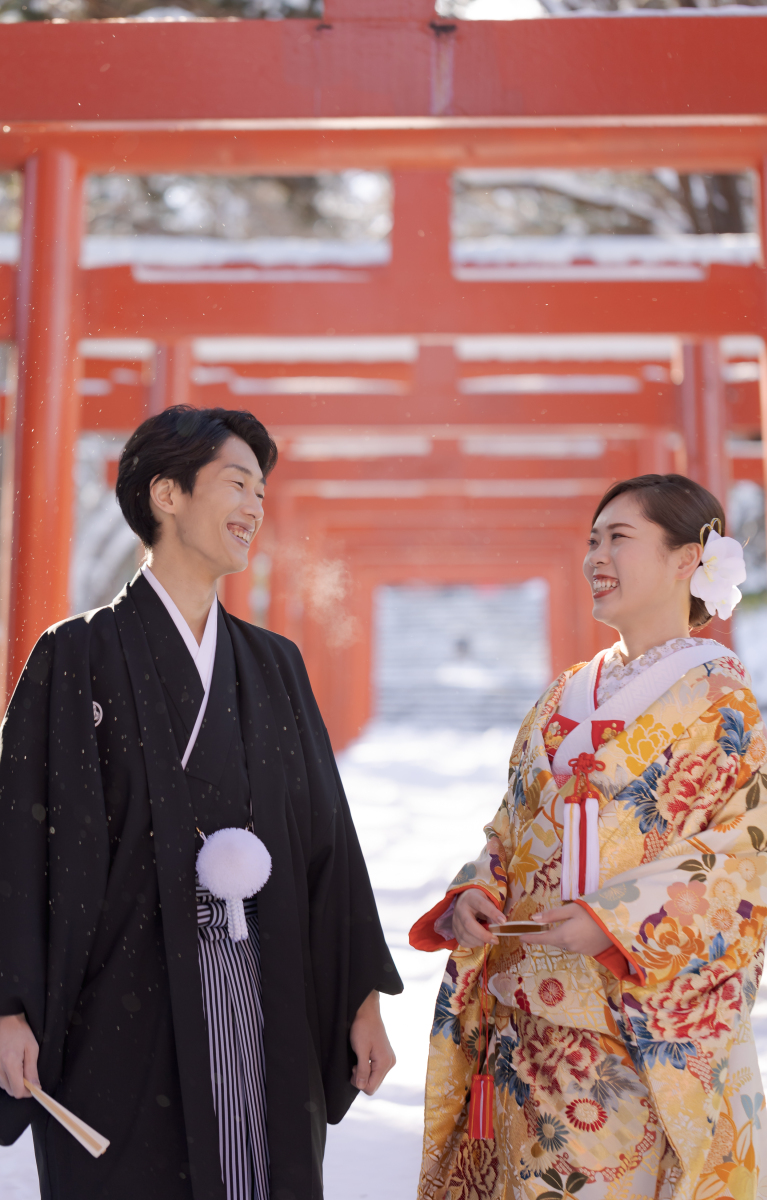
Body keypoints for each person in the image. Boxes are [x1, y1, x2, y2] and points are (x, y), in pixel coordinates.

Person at [0, 406, 402, 1200]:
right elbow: (18, 842)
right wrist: (9, 1005)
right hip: (113, 1002)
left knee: (262, 1169)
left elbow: (326, 839)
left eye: (262, 489)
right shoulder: (73, 655)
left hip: (265, 991)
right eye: (236, 483)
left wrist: (360, 999)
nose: (256, 506)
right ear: (167, 495)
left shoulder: (274, 665)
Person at [410, 473, 767, 1200]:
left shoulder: (719, 701)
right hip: (525, 1033)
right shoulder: (563, 695)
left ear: (689, 560)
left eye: (619, 538)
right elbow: (510, 827)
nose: (595, 556)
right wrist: (478, 891)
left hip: (634, 1033)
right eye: (592, 540)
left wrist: (615, 921)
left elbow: (752, 857)